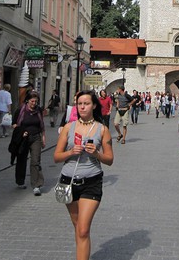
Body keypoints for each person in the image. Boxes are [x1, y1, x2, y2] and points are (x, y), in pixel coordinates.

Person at [54, 90, 113, 260]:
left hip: (91, 182)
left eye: (86, 103)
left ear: (94, 105)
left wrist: (96, 154)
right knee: (78, 227)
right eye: (79, 104)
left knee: (83, 229)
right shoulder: (68, 127)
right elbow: (56, 157)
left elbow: (109, 159)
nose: (82, 107)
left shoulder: (102, 130)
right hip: (68, 182)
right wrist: (71, 152)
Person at [12, 91, 45, 195]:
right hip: (23, 138)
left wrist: (43, 137)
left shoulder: (38, 110)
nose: (34, 103)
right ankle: (20, 181)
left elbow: (42, 125)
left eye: (36, 101)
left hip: (36, 137)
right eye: (32, 101)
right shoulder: (20, 110)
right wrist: (22, 131)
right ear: (27, 100)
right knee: (21, 160)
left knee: (35, 160)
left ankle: (36, 185)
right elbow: (14, 124)